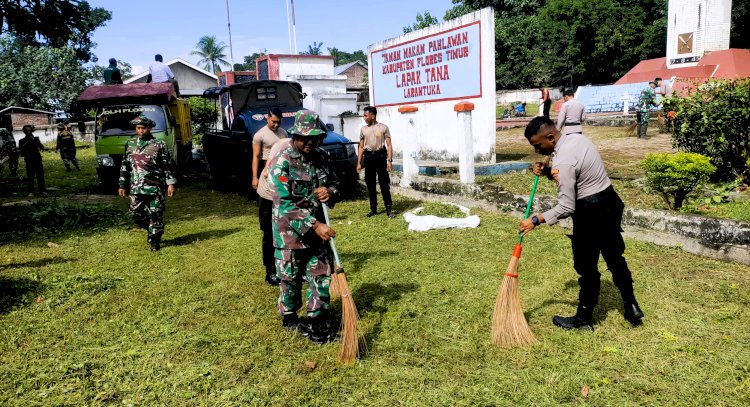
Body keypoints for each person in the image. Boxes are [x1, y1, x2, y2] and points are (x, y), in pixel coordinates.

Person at [519, 117, 644, 330]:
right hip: (610, 202)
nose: (538, 151)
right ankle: (631, 305)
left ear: (550, 137)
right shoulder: (576, 139)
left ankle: (583, 318)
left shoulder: (563, 162)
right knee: (615, 257)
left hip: (590, 212)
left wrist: (536, 219)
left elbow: (567, 206)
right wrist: (548, 172)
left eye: (539, 146)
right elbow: (577, 173)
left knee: (587, 267)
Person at [268, 110, 339, 343]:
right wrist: (314, 224)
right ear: (294, 136)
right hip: (289, 234)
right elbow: (284, 204)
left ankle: (317, 319)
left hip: (317, 234)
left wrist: (330, 192)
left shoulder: (322, 158)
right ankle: (290, 318)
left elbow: (336, 185)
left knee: (320, 273)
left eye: (314, 138)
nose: (310, 142)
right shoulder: (283, 161)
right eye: (304, 138)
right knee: (290, 279)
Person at [118, 114, 177, 252]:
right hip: (136, 187)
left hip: (154, 187)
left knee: (156, 213)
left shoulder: (158, 144)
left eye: (143, 128)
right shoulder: (130, 144)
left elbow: (167, 166)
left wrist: (171, 184)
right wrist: (121, 185)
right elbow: (124, 165)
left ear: (149, 128)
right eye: (138, 128)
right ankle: (152, 227)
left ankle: (154, 240)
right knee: (134, 214)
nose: (141, 131)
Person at [252, 108, 288, 286]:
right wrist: (254, 177)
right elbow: (256, 156)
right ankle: (270, 270)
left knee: (284, 228)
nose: (276, 124)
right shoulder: (260, 135)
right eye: (273, 121)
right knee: (268, 231)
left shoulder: (283, 133)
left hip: (281, 180)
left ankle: (287, 266)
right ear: (267, 118)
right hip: (266, 180)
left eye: (279, 122)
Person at [356, 106, 394, 218]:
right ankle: (373, 209)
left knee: (384, 184)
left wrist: (390, 160)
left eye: (365, 115)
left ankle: (389, 208)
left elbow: (389, 145)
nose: (364, 117)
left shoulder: (383, 128)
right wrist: (359, 163)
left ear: (372, 116)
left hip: (380, 157)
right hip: (368, 159)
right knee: (370, 184)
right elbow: (361, 147)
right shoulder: (363, 129)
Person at [18, 125, 46, 197]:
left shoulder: (35, 139)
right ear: (24, 132)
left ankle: (42, 190)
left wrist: (36, 140)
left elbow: (42, 147)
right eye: (27, 131)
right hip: (29, 160)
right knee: (30, 176)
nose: (29, 132)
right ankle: (31, 191)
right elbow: (22, 150)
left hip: (37, 159)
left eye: (30, 130)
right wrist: (29, 140)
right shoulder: (21, 141)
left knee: (40, 176)